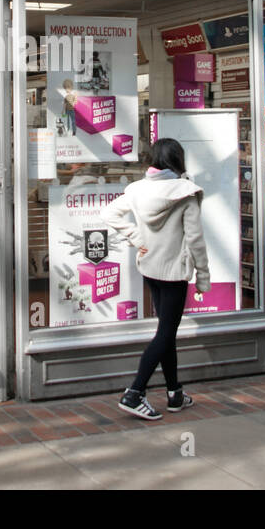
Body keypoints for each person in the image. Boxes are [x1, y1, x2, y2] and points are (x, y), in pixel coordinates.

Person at [102, 138, 210, 420]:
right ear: (178, 160)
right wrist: (203, 276)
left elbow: (109, 213)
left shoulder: (137, 190)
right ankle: (135, 393)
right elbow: (195, 238)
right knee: (165, 333)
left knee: (167, 332)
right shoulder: (185, 192)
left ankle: (174, 393)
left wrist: (137, 237)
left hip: (150, 267)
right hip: (174, 271)